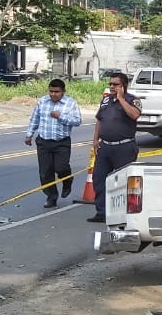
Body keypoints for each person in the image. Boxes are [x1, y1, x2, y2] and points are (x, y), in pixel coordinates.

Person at [88, 72, 142, 223]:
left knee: (123, 182)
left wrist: (121, 99)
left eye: (116, 84)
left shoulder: (133, 100)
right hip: (105, 147)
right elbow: (100, 120)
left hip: (124, 147)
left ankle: (123, 214)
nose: (112, 87)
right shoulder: (105, 101)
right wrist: (95, 139)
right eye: (110, 84)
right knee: (99, 179)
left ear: (123, 86)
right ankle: (102, 212)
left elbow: (134, 115)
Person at [24, 78, 82, 208]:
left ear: (63, 92)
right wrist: (29, 134)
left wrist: (60, 116)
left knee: (61, 168)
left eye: (57, 92)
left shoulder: (70, 103)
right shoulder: (42, 102)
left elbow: (77, 121)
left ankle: (67, 181)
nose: (53, 94)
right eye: (51, 91)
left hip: (62, 142)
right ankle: (51, 196)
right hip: (44, 141)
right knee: (45, 172)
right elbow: (35, 118)